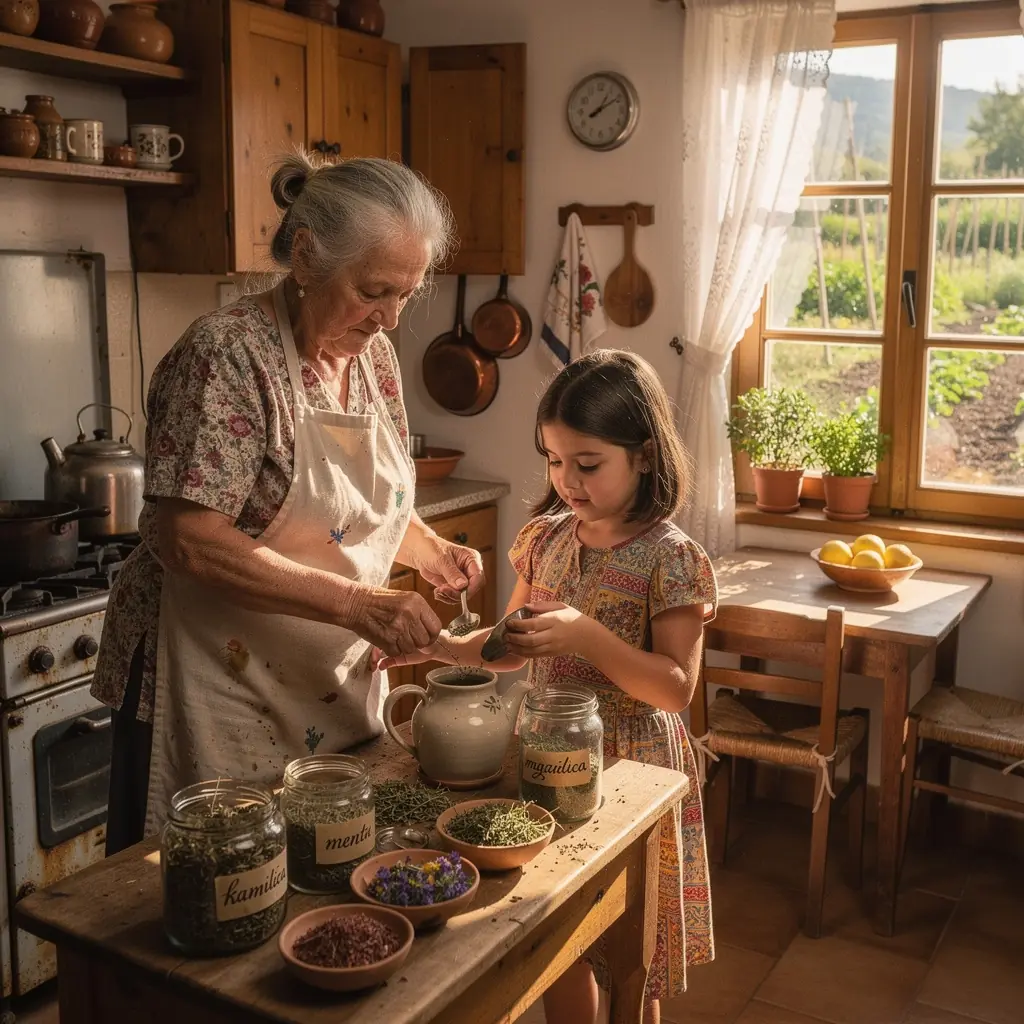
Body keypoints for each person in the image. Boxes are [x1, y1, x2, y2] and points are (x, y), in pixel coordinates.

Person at [93, 152, 484, 854]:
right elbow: (189, 540)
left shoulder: (373, 359)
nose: (390, 318)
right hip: (212, 684)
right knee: (197, 884)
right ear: (305, 257)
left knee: (319, 875)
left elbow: (355, 510)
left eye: (406, 294)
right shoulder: (226, 356)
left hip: (322, 684)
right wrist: (361, 606)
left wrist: (430, 549)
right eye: (374, 291)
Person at [380, 349, 717, 1024]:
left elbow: (676, 689)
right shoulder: (544, 540)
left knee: (630, 956)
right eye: (555, 460)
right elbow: (508, 643)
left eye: (587, 464)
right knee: (557, 936)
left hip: (633, 767)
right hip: (543, 759)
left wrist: (586, 635)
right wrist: (441, 647)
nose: (567, 480)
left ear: (645, 456)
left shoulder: (672, 557)